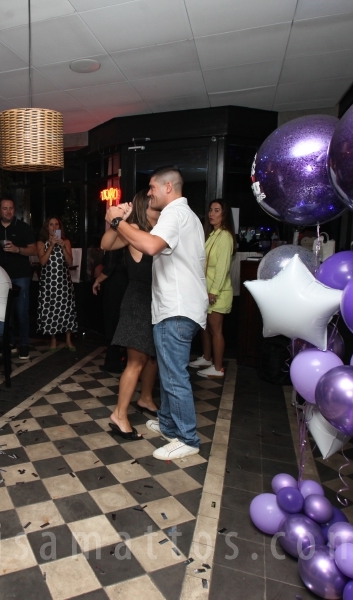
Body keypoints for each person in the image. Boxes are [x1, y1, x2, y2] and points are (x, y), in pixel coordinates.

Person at [105, 167, 207, 461]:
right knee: (168, 371)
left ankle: (187, 438)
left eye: (151, 187)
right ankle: (170, 425)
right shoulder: (184, 215)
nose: (148, 193)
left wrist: (115, 220)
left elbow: (149, 245)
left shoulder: (175, 214)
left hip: (176, 308)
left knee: (174, 376)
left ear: (167, 188)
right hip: (173, 306)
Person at [100, 191, 161, 439]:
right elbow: (106, 244)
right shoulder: (134, 229)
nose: (159, 208)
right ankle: (119, 414)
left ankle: (145, 398)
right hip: (138, 301)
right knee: (136, 361)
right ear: (143, 208)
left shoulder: (160, 228)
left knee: (151, 357)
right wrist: (119, 221)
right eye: (154, 206)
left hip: (155, 300)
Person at [0, 198, 37, 360]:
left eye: (11, 208)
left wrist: (17, 249)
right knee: (5, 311)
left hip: (20, 275)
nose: (8, 211)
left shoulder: (23, 227)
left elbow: (34, 249)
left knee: (21, 311)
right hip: (0, 277)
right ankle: (10, 342)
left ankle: (25, 345)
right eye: (5, 208)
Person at [190, 200, 235, 379]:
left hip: (217, 293)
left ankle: (217, 368)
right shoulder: (213, 234)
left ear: (224, 214)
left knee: (216, 330)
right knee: (205, 327)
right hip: (206, 290)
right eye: (210, 210)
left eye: (217, 210)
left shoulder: (225, 236)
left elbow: (222, 268)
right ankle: (207, 358)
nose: (212, 214)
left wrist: (213, 292)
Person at [35, 216, 78, 351]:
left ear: (60, 227)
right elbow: (42, 262)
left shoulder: (66, 242)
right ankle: (53, 339)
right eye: (51, 225)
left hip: (63, 282)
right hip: (49, 283)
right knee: (50, 310)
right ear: (47, 228)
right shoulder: (41, 243)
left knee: (67, 309)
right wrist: (52, 244)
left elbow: (70, 262)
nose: (54, 227)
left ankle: (68, 339)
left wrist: (63, 246)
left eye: (56, 225)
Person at [92, 246, 128, 373]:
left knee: (111, 322)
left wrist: (98, 280)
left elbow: (110, 266)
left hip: (115, 285)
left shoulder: (116, 240)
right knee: (123, 323)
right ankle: (126, 361)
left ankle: (113, 362)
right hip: (127, 283)